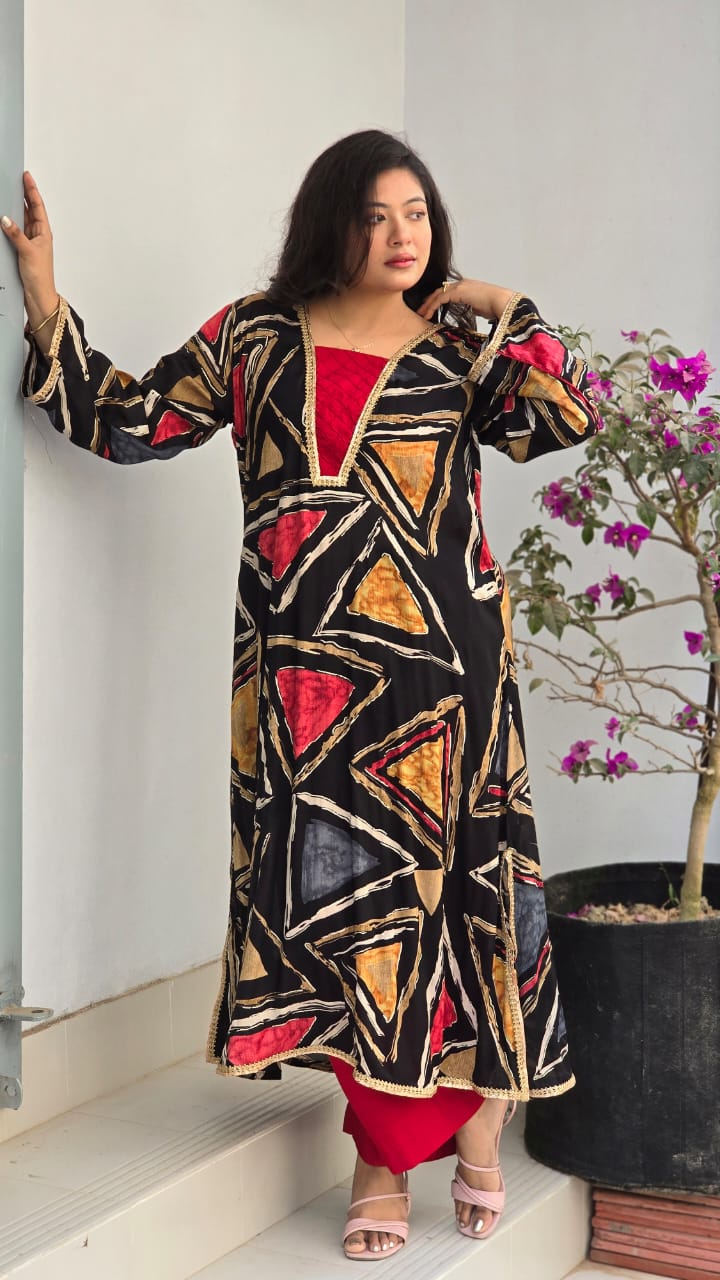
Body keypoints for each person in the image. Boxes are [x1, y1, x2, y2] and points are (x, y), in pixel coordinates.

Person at [2, 128, 600, 1262]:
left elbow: (562, 418)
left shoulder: (457, 349)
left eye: (416, 214)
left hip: (445, 680)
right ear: (330, 222)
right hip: (302, 689)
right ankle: (402, 1143)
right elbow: (131, 422)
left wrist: (503, 303)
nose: (400, 236)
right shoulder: (255, 335)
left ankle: (449, 1134)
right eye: (374, 216)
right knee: (344, 914)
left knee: (443, 903)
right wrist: (43, 300)